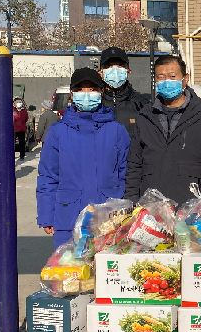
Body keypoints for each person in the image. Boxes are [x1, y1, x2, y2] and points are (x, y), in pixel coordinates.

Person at [36, 68, 130, 249]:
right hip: (68, 217)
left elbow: (126, 173)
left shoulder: (117, 130)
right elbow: (48, 176)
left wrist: (127, 211)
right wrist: (47, 215)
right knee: (69, 266)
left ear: (101, 93)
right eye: (80, 89)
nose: (86, 94)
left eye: (92, 89)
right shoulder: (57, 132)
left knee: (107, 265)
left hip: (110, 218)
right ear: (72, 94)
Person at [125, 55, 201, 204]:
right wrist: (131, 201)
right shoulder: (145, 116)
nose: (166, 82)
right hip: (151, 206)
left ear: (185, 79)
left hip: (190, 206)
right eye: (161, 77)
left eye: (172, 76)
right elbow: (134, 165)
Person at [98, 46, 150, 140]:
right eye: (108, 66)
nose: (115, 71)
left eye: (120, 66)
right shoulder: (94, 103)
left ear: (128, 72)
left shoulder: (142, 104)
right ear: (100, 73)